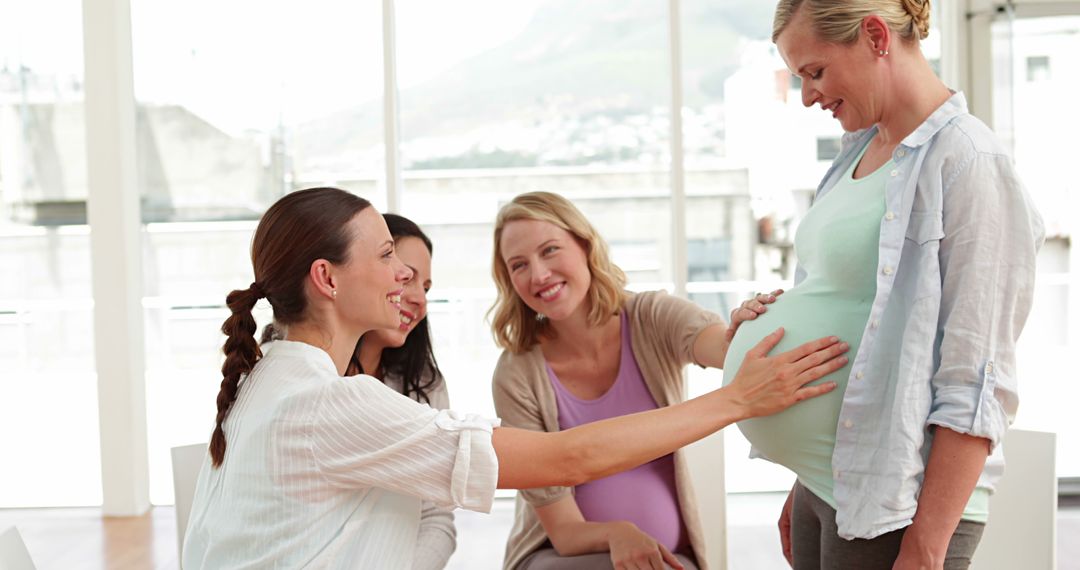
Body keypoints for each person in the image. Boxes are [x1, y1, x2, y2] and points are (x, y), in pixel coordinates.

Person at [182, 187, 850, 569]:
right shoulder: (330, 404)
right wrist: (736, 400)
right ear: (327, 280)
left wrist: (748, 341)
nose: (401, 278)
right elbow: (568, 457)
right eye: (387, 257)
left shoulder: (266, 380)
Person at [720, 1, 1045, 569]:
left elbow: (978, 380)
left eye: (814, 72)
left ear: (874, 36)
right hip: (831, 484)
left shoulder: (968, 162)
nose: (808, 96)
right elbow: (848, 312)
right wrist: (804, 481)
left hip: (901, 505)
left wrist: (925, 549)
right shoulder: (856, 154)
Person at [489, 191, 826, 570]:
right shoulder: (517, 373)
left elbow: (722, 348)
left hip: (667, 560)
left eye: (549, 250)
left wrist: (745, 328)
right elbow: (565, 534)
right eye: (518, 265)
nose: (538, 274)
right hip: (560, 559)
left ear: (584, 244)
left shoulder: (650, 316)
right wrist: (618, 533)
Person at [344, 213, 455, 570]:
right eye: (406, 277)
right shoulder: (304, 381)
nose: (420, 300)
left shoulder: (425, 384)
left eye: (426, 288)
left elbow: (437, 520)